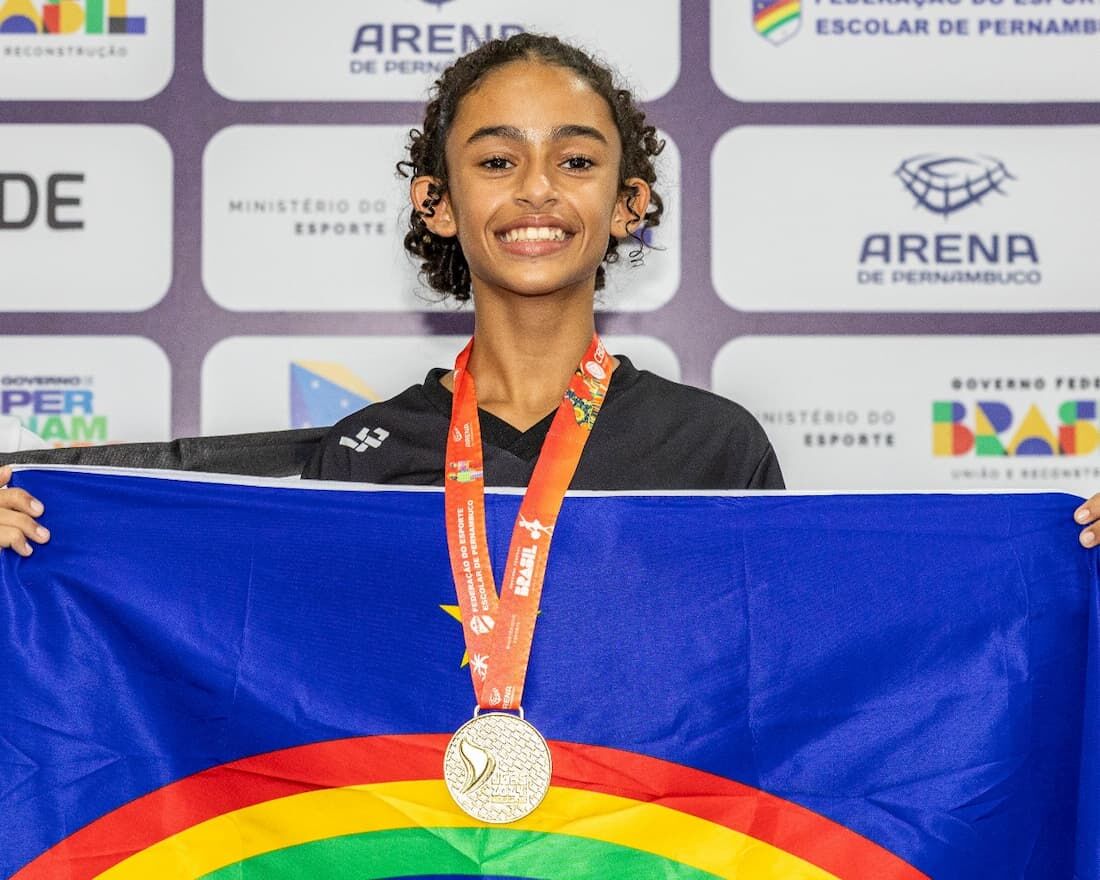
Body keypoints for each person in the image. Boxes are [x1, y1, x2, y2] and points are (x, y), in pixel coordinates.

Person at [1, 33, 1098, 549]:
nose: (536, 191)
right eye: (493, 160)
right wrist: (40, 550)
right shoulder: (360, 453)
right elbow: (245, 666)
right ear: (437, 203)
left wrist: (1052, 561)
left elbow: (805, 672)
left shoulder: (713, 448)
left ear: (628, 204)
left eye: (575, 161)